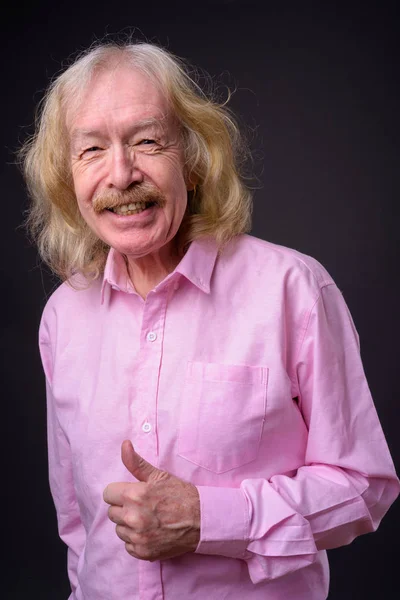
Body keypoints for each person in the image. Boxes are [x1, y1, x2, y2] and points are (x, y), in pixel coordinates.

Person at [21, 40, 399, 600]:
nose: (121, 174)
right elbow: (79, 527)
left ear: (194, 162)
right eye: (91, 150)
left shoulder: (292, 289)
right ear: (67, 178)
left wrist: (210, 520)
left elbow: (362, 489)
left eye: (148, 141)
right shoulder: (63, 317)